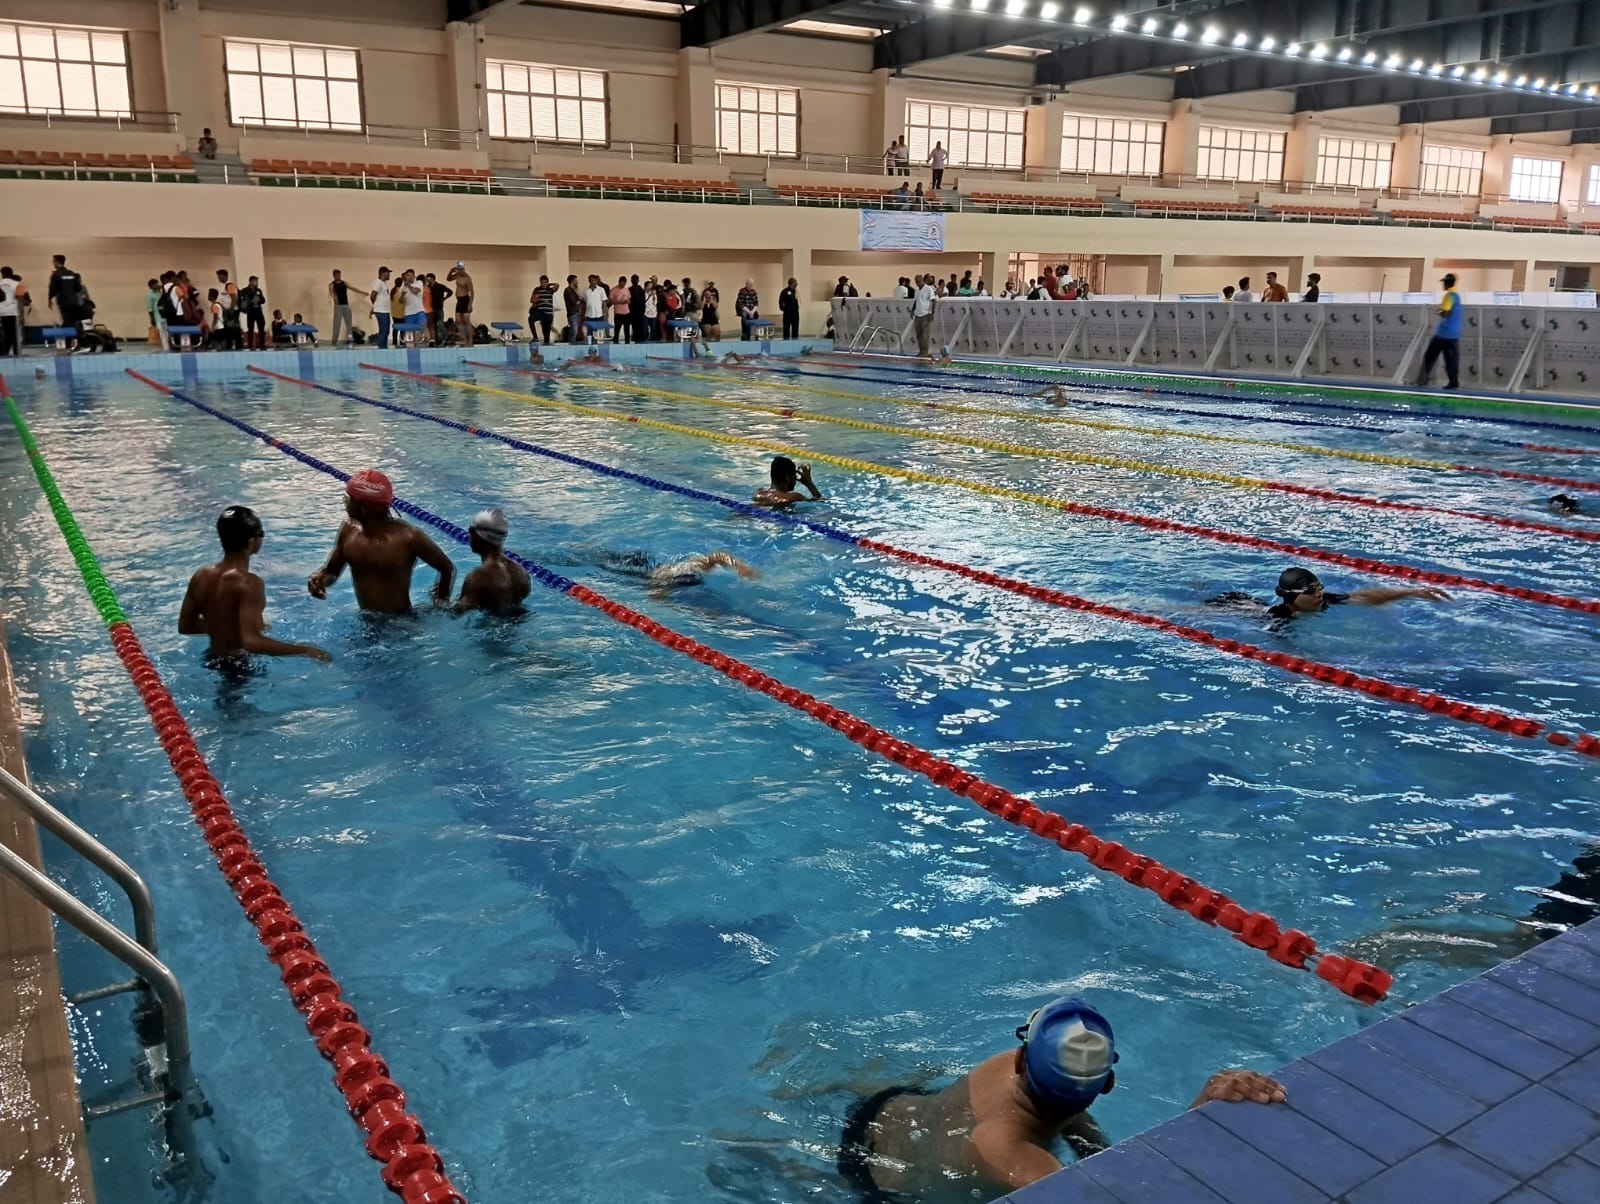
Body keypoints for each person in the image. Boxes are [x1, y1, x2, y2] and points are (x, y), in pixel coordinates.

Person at [837, 997, 1286, 1202]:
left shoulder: (1002, 1066)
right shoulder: (1019, 1161)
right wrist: (1198, 1116)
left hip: (887, 1108)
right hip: (883, 1185)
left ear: (1020, 1059)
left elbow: (1084, 1139)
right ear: (1107, 1086)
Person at [179, 506, 330, 664]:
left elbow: (186, 625)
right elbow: (251, 642)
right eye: (261, 533)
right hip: (239, 664)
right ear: (251, 542)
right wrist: (305, 650)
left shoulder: (201, 575)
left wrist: (226, 628)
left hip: (211, 658)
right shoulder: (248, 583)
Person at [306, 469, 455, 614]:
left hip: (401, 621)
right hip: (365, 618)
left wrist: (440, 603)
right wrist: (319, 579)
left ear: (364, 507)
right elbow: (331, 572)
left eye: (348, 498)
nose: (345, 502)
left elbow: (448, 569)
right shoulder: (348, 530)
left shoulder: (408, 538)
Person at [1263, 567, 1450, 621]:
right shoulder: (1279, 616)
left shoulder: (1324, 600)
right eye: (1311, 590)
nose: (1319, 593)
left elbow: (1365, 597)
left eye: (1319, 587)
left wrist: (1411, 592)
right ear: (1292, 596)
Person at [455, 508, 531, 616]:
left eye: (471, 533)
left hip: (490, 626)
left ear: (479, 537)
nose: (468, 537)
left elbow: (457, 614)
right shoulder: (522, 573)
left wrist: (438, 598)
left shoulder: (477, 578)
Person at [597, 549, 759, 596]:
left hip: (651, 571)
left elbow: (718, 556)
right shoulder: (663, 582)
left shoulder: (691, 568)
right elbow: (656, 596)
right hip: (641, 573)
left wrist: (740, 567)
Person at [1417, 272, 1463, 391]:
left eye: (1444, 283)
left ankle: (1422, 381)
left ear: (1447, 284)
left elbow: (1445, 313)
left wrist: (1438, 310)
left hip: (1443, 334)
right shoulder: (1457, 296)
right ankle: (1453, 383)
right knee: (1451, 360)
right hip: (1454, 334)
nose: (1443, 285)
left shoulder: (1448, 296)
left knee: (1429, 357)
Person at [754, 455, 822, 507]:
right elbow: (820, 501)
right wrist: (809, 484)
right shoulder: (794, 497)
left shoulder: (759, 494)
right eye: (795, 476)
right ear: (788, 478)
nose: (796, 479)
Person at [48, 254, 91, 333]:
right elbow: (78, 288)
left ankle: (69, 339)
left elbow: (52, 288)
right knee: (73, 321)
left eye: (53, 261)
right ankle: (76, 338)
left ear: (57, 262)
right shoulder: (71, 273)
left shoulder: (56, 274)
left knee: (67, 321)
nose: (53, 263)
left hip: (64, 302)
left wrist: (49, 299)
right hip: (74, 302)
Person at [447, 262, 474, 347]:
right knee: (458, 321)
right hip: (459, 300)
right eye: (459, 269)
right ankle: (464, 338)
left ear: (464, 269)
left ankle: (470, 341)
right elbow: (448, 279)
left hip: (465, 300)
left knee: (467, 321)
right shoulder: (457, 275)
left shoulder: (467, 278)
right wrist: (451, 271)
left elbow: (472, 292)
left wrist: (470, 304)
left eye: (461, 269)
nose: (460, 271)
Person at [238, 275, 267, 350]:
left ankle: (262, 344)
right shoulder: (245, 290)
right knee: (250, 328)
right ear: (251, 281)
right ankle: (250, 344)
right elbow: (243, 301)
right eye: (255, 281)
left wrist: (259, 299)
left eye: (257, 281)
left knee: (261, 327)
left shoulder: (258, 290)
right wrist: (251, 301)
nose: (257, 283)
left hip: (258, 311)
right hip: (250, 312)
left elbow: (263, 300)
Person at [368, 266, 393, 350]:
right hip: (381, 311)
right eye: (388, 273)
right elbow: (372, 295)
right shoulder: (378, 282)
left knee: (386, 331)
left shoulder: (383, 283)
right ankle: (382, 348)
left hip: (385, 311)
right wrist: (376, 306)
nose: (389, 275)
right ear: (383, 273)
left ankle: (383, 347)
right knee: (384, 331)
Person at [913, 272, 937, 359]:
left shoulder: (928, 289)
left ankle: (925, 352)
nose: (917, 283)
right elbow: (916, 301)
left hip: (925, 314)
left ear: (922, 280)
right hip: (917, 314)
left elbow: (933, 301)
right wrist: (912, 311)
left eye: (919, 281)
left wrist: (932, 313)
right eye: (916, 281)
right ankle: (921, 351)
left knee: (925, 334)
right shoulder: (917, 290)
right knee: (918, 334)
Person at [529, 274, 557, 344]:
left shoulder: (550, 290)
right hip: (540, 312)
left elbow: (557, 285)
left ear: (547, 282)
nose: (543, 284)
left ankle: (546, 343)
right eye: (542, 282)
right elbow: (532, 300)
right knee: (531, 319)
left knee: (546, 335)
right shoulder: (537, 289)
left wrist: (549, 284)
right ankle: (535, 337)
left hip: (549, 314)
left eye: (545, 282)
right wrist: (542, 300)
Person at [329, 269, 353, 346]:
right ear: (334, 276)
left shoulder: (344, 283)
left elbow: (352, 288)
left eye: (339, 275)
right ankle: (334, 341)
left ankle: (350, 339)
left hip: (346, 305)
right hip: (338, 306)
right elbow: (331, 293)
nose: (338, 276)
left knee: (349, 324)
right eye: (337, 275)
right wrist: (335, 298)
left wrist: (362, 292)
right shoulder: (332, 284)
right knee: (337, 324)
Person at [584, 273, 609, 342]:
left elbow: (604, 301)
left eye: (593, 280)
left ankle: (599, 344)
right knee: (590, 331)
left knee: (599, 331)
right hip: (589, 314)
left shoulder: (601, 290)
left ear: (596, 281)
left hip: (598, 314)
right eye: (590, 281)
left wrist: (604, 312)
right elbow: (585, 302)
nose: (592, 282)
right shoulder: (586, 291)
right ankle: (590, 344)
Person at [609, 275, 632, 343]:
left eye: (624, 283)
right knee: (617, 329)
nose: (623, 285)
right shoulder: (613, 290)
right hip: (618, 312)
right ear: (619, 282)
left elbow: (629, 300)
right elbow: (611, 301)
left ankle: (627, 342)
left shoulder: (626, 289)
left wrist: (627, 301)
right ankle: (616, 341)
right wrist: (620, 302)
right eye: (622, 283)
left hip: (627, 312)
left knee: (627, 329)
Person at [562, 273, 582, 343]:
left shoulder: (574, 291)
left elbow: (581, 300)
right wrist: (578, 301)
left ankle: (573, 343)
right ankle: (571, 344)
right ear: (572, 281)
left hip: (577, 313)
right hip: (572, 314)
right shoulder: (568, 290)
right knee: (574, 331)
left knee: (575, 331)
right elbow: (574, 302)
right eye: (576, 280)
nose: (577, 282)